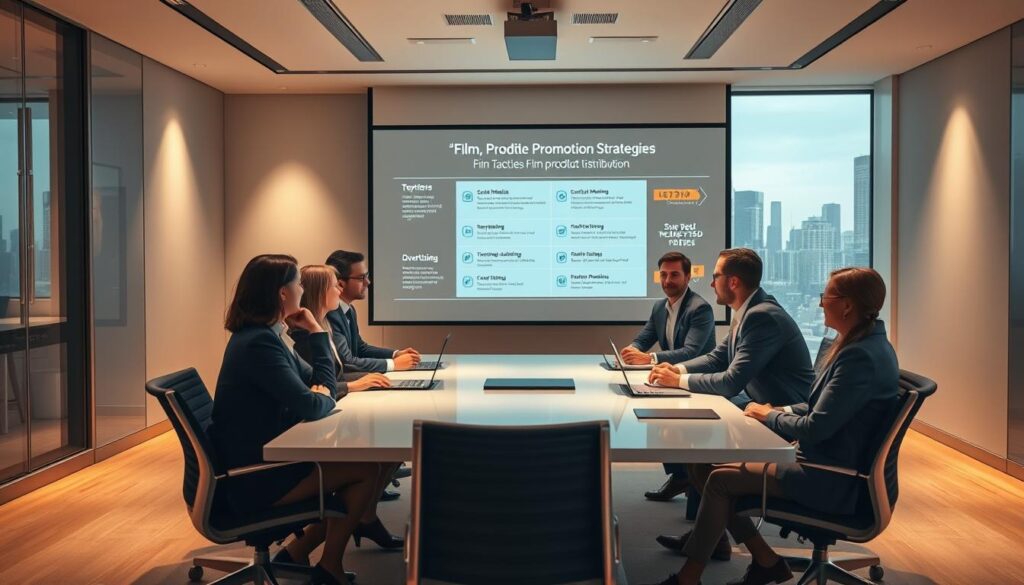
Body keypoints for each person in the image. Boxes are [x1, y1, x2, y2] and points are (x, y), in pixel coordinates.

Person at [645, 267, 899, 585]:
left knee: (719, 480)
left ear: (847, 305)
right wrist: (780, 409)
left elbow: (816, 427)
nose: (821, 304)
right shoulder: (863, 344)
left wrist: (771, 417)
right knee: (707, 467)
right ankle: (764, 560)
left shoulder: (859, 356)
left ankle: (690, 578)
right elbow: (824, 407)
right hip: (828, 462)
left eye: (826, 297)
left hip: (831, 477)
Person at [208, 254, 394, 585]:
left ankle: (296, 554)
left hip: (266, 459)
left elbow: (321, 382)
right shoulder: (259, 344)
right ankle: (329, 567)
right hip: (253, 477)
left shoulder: (268, 335)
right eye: (298, 283)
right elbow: (313, 403)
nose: (302, 289)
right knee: (367, 471)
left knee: (371, 465)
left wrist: (314, 331)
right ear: (282, 293)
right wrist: (322, 391)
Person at [648, 248, 814, 554]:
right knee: (694, 449)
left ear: (733, 281)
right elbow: (717, 358)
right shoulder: (748, 311)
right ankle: (713, 538)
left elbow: (730, 381)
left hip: (782, 416)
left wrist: (679, 381)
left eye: (715, 277)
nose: (711, 284)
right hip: (757, 405)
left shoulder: (762, 316)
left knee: (699, 447)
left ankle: (711, 540)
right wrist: (678, 369)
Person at [289, 263, 411, 526]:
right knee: (373, 461)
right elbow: (319, 387)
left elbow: (329, 380)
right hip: (303, 441)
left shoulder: (321, 326)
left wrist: (356, 383)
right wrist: (352, 386)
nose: (339, 290)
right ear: (323, 292)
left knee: (388, 443)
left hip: (322, 416)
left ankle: (365, 517)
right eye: (335, 285)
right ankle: (360, 520)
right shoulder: (305, 335)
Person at [622, 252, 716, 502]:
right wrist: (632, 350)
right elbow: (644, 338)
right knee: (653, 411)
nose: (667, 280)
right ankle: (680, 475)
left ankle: (685, 478)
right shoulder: (659, 306)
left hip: (695, 381)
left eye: (674, 274)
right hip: (669, 379)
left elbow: (691, 351)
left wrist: (650, 359)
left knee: (662, 416)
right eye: (663, 274)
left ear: (688, 277)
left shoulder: (700, 308)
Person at [325, 250, 421, 373]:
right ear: (340, 284)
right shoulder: (330, 313)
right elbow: (346, 362)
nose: (368, 282)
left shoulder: (349, 310)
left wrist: (395, 354)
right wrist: (393, 364)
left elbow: (360, 349)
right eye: (361, 278)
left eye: (367, 275)